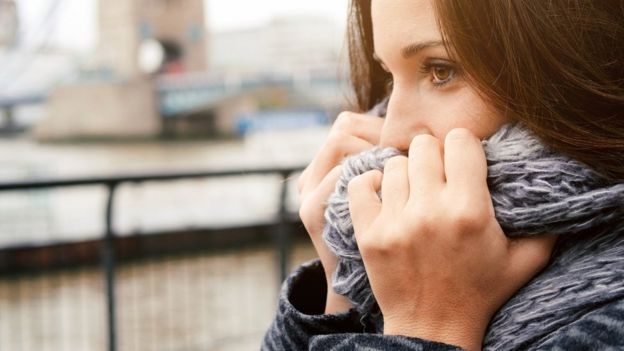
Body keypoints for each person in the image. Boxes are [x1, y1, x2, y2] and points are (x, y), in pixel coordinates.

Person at [263, 0, 624, 350]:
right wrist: (345, 288)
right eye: (389, 75)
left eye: (440, 70)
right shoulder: (397, 255)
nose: (391, 134)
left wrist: (426, 329)